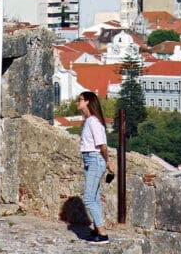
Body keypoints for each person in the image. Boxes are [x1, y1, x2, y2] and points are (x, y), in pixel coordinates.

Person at [77, 90, 112, 244]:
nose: (78, 102)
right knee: (95, 197)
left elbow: (102, 145)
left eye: (80, 99)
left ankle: (102, 233)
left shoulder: (93, 122)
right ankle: (98, 230)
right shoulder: (89, 121)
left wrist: (108, 161)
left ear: (88, 102)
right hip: (90, 159)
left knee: (89, 197)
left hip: (95, 159)